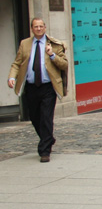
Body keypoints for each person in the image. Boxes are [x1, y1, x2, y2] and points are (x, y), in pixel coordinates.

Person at [7, 18, 68, 162]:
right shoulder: (25, 44)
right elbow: (17, 63)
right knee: (35, 118)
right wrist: (12, 77)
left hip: (48, 87)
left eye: (41, 26)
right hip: (31, 86)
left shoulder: (55, 44)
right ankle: (48, 138)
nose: (39, 29)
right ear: (32, 29)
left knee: (46, 118)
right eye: (36, 27)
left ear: (45, 28)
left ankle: (44, 151)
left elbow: (64, 65)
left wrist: (52, 55)